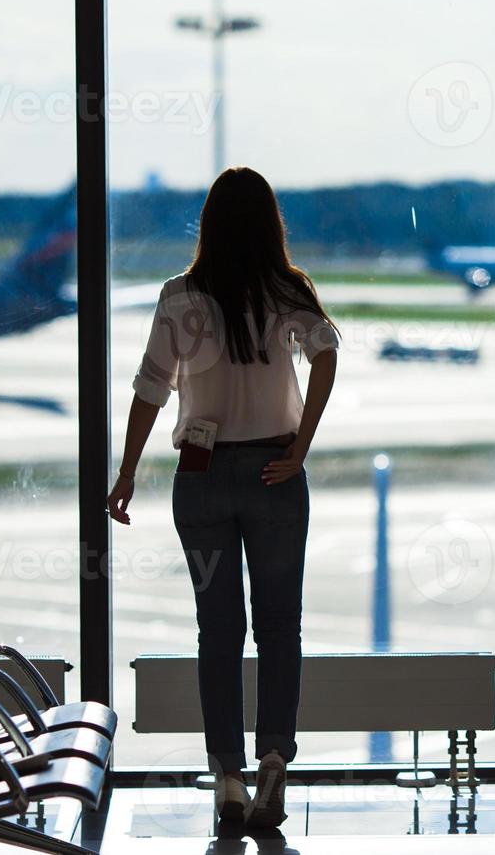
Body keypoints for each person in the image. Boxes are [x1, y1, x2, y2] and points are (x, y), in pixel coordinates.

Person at [107, 167, 339, 834]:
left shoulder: (180, 296)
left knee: (219, 631)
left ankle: (228, 779)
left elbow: (150, 391)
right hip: (274, 472)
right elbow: (326, 356)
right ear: (272, 224)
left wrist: (125, 474)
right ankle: (273, 765)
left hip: (202, 478)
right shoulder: (287, 290)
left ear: (207, 224)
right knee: (279, 630)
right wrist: (301, 448)